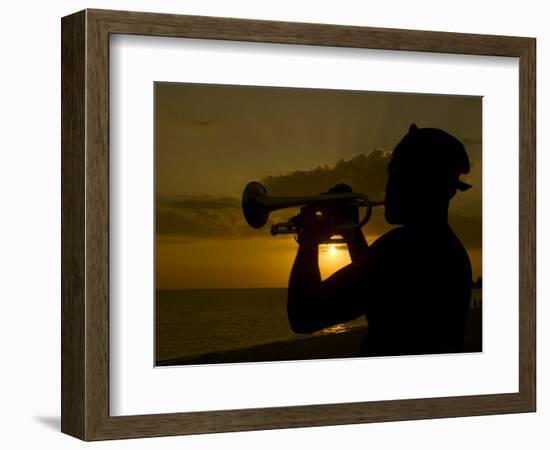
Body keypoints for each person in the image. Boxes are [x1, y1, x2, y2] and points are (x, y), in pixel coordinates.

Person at [287, 124, 473, 356]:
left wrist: (309, 240)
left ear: (421, 181)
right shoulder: (450, 248)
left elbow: (304, 316)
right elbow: (378, 296)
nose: (390, 186)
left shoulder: (403, 247)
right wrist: (352, 233)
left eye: (396, 172)